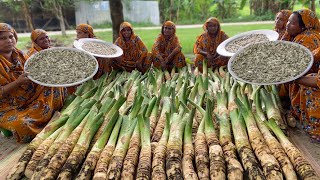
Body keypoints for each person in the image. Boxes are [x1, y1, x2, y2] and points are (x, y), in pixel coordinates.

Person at [0, 23, 65, 143]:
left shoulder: (19, 54)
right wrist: (18, 82)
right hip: (7, 106)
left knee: (55, 85)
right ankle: (47, 120)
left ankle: (49, 116)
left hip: (28, 95)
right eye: (2, 38)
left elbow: (32, 72)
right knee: (22, 125)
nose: (8, 40)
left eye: (10, 36)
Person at [282, 9, 320, 141]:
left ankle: (316, 127)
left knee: (308, 89)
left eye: (292, 23)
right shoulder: (294, 36)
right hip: (310, 76)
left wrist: (295, 78)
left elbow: (301, 65)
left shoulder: (307, 38)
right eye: (288, 21)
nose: (287, 25)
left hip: (311, 78)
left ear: (305, 26)